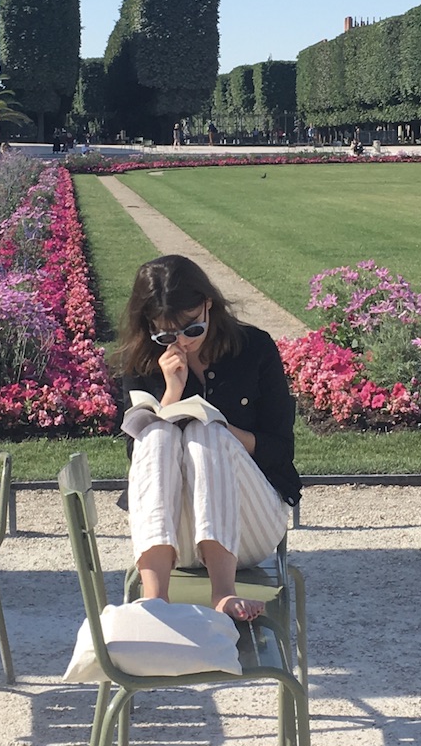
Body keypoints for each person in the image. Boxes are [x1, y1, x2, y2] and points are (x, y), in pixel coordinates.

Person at [114, 255, 301, 622]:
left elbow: (281, 449)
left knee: (205, 433)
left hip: (251, 527)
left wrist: (224, 431)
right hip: (172, 536)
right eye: (166, 335)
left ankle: (223, 592)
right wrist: (171, 393)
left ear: (208, 305)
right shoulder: (142, 361)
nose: (182, 342)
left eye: (192, 329)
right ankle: (155, 597)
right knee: (155, 436)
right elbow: (138, 459)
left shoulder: (254, 348)